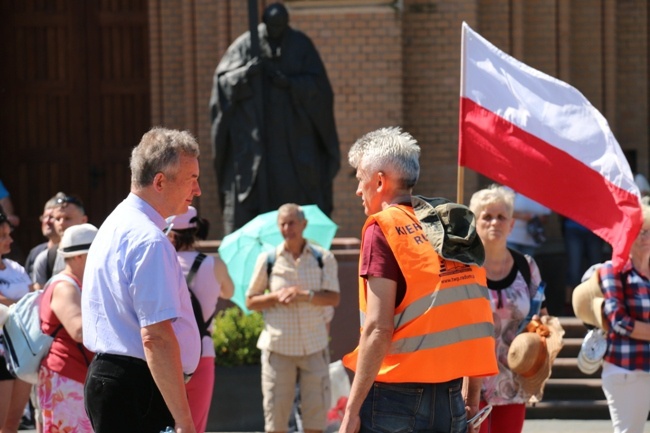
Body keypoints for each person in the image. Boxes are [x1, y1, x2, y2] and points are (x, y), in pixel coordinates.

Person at [339, 127, 497, 433]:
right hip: (451, 396)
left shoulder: (382, 228)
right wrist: (472, 394)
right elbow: (474, 310)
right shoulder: (453, 223)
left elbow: (378, 328)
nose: (359, 190)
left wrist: (351, 411)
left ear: (380, 181)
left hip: (394, 400)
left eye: (360, 179)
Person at [81, 127, 202, 433]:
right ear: (160, 181)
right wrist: (184, 420)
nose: (198, 190)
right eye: (192, 179)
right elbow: (156, 337)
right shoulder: (149, 240)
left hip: (120, 381)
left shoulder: (117, 223)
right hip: (138, 389)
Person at [210, 2, 340, 234]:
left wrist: (290, 83)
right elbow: (223, 83)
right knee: (253, 201)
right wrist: (246, 74)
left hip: (293, 143)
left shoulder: (300, 45)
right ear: (264, 23)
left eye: (281, 26)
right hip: (255, 142)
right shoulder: (244, 45)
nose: (277, 31)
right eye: (273, 27)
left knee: (296, 193)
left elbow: (320, 89)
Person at [246, 203, 340, 433]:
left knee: (316, 422)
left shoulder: (323, 258)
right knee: (276, 422)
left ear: (304, 224)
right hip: (279, 351)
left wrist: (303, 294)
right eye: (283, 224)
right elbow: (251, 300)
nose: (288, 228)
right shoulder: (268, 260)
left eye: (292, 223)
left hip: (314, 348)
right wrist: (276, 297)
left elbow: (334, 298)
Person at [469, 185, 550, 433]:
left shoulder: (527, 266)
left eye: (501, 217)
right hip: (470, 385)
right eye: (487, 216)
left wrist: (541, 332)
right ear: (475, 222)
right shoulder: (463, 268)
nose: (495, 222)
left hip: (514, 382)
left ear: (512, 224)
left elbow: (542, 315)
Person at [166, 206, 234, 433]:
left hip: (163, 354)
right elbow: (229, 292)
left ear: (171, 233)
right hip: (201, 353)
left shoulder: (161, 263)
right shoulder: (215, 264)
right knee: (195, 426)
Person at [37, 223, 97, 433]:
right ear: (80, 256)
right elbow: (79, 331)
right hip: (66, 375)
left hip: (74, 374)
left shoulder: (77, 284)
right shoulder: (65, 286)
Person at [598, 203, 650, 433]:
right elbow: (618, 320)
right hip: (626, 369)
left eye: (649, 231)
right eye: (639, 231)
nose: (645, 237)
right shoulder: (613, 269)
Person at [0, 212, 33, 433]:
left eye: (8, 234)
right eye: (3, 235)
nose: (10, 239)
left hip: (23, 351)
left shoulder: (16, 268)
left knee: (12, 425)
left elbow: (33, 301)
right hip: (1, 352)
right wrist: (23, 303)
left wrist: (13, 302)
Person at [32, 193, 87, 289]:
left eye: (67, 218)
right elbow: (41, 299)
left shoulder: (99, 253)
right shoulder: (45, 259)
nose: (61, 223)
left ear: (83, 220)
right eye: (57, 219)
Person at [562, 217, 605, 315]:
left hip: (595, 228)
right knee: (574, 271)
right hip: (573, 227)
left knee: (596, 271)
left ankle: (596, 306)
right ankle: (569, 306)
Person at [24, 193, 64, 280]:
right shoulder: (35, 252)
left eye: (52, 217)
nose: (47, 221)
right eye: (45, 217)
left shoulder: (73, 254)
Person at [506, 189, 551, 257]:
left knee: (526, 265)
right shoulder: (508, 189)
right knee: (512, 265)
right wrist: (524, 216)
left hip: (531, 239)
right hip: (511, 238)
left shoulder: (541, 192)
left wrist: (534, 218)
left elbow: (545, 217)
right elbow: (502, 211)